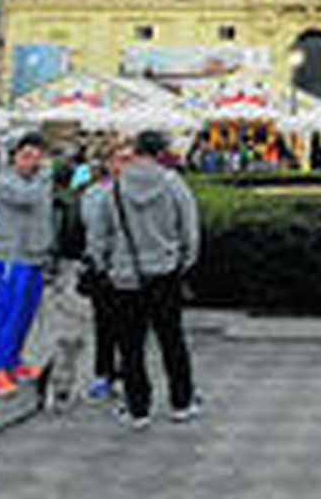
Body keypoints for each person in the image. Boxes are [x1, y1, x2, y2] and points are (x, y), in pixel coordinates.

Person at [87, 129, 201, 429]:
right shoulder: (173, 184)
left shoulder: (114, 188)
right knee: (172, 340)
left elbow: (99, 236)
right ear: (161, 152)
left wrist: (105, 265)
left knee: (131, 344)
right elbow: (189, 230)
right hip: (165, 272)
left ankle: (139, 409)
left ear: (136, 151)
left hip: (124, 277)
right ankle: (181, 403)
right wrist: (182, 261)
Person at [0, 132, 54, 397]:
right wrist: (45, 175)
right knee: (5, 314)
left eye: (38, 157)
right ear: (14, 157)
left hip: (33, 256)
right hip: (8, 257)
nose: (33, 162)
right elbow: (28, 198)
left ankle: (13, 361)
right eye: (27, 156)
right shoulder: (6, 181)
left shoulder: (38, 181)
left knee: (24, 316)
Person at [78, 136, 131, 403]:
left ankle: (125, 374)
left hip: (133, 269)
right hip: (105, 268)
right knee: (104, 324)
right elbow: (91, 231)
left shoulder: (138, 190)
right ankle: (103, 373)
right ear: (108, 163)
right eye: (120, 159)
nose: (126, 165)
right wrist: (99, 262)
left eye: (129, 159)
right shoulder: (94, 193)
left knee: (131, 326)